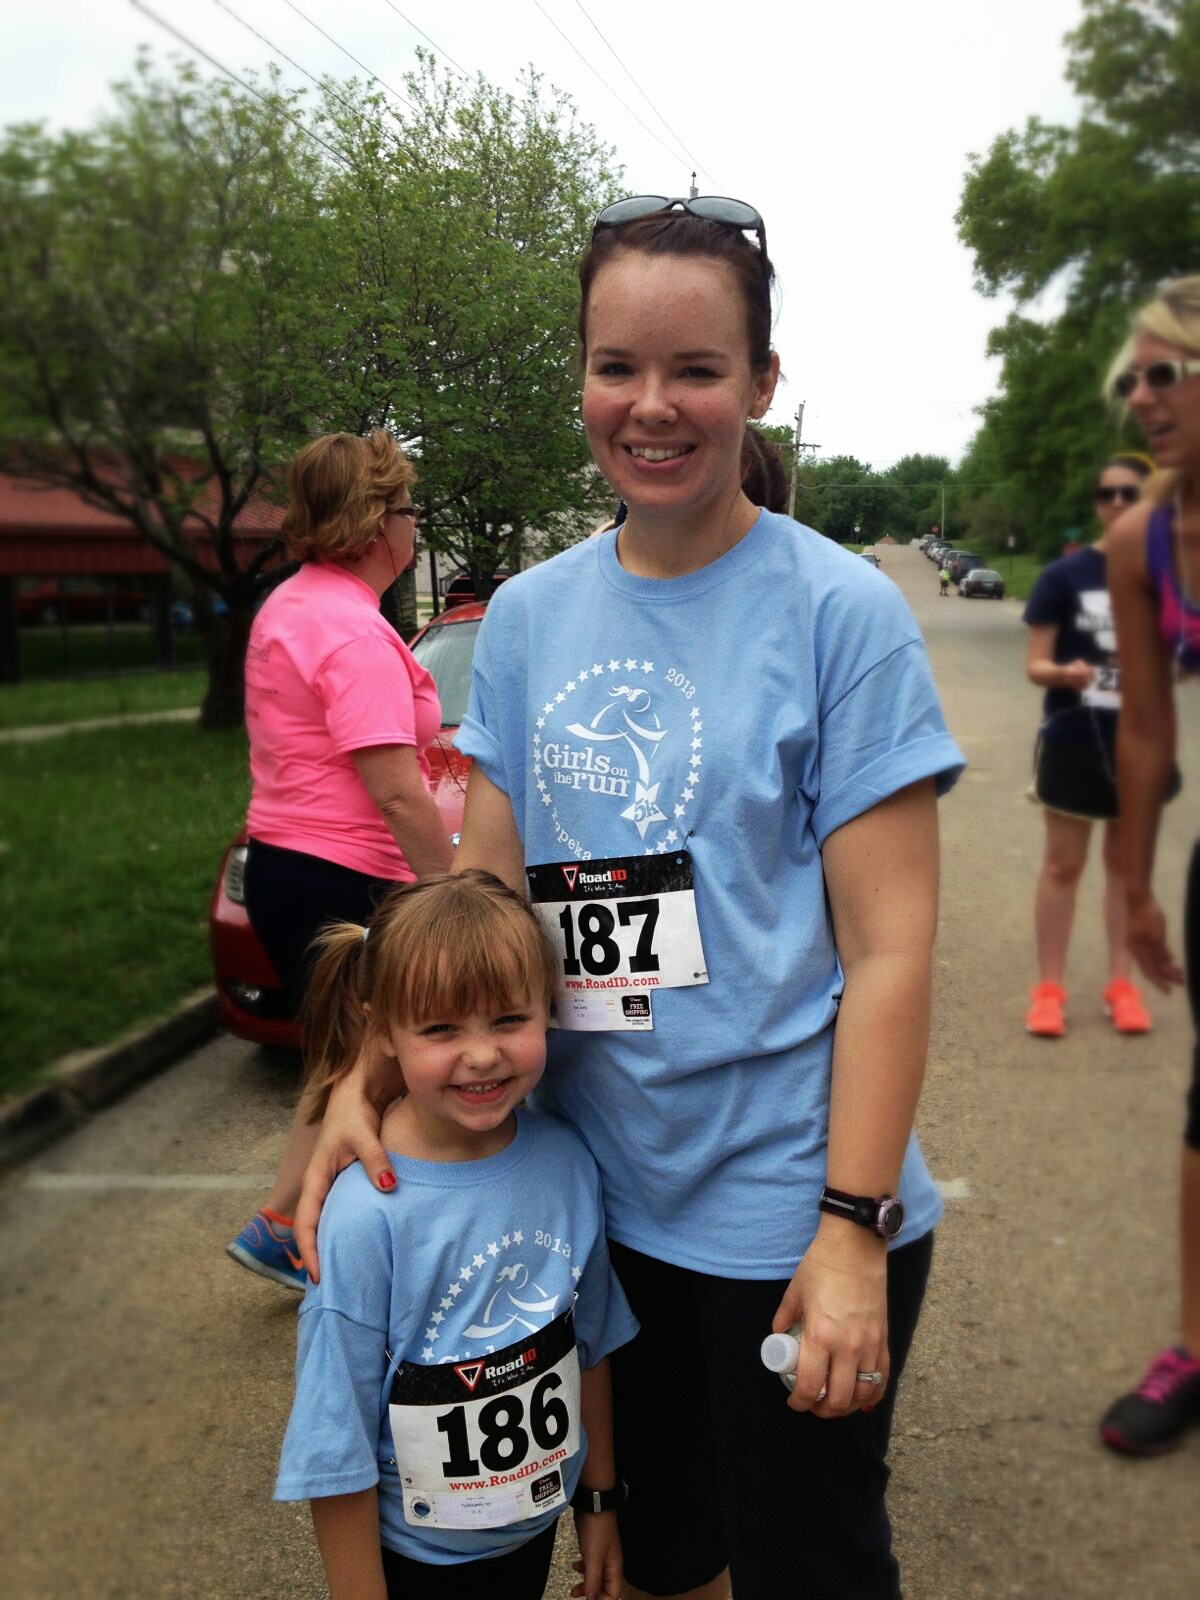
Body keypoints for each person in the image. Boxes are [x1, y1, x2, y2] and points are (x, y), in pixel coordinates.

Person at [296, 194, 964, 1600]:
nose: (652, 406)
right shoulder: (531, 616)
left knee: (813, 1567)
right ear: (583, 379)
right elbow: (482, 898)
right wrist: (366, 1073)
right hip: (595, 1195)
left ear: (761, 383)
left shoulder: (842, 614)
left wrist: (854, 1228)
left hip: (787, 1205)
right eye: (618, 367)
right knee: (655, 1562)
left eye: (696, 369)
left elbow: (892, 952)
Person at [275, 871, 636, 1599]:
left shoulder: (570, 1162)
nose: (481, 1055)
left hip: (533, 1530)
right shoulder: (366, 1215)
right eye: (441, 1029)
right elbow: (336, 1441)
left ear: (548, 1008)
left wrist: (598, 1501)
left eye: (508, 1019)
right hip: (418, 1562)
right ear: (382, 1032)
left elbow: (589, 1345)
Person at [227, 431, 454, 1292]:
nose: (415, 526)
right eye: (409, 509)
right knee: (383, 1066)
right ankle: (343, 1240)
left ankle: (283, 1224)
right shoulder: (352, 631)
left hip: (285, 864)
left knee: (345, 1060)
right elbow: (398, 793)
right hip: (343, 876)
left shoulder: (290, 605)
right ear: (374, 521)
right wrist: (455, 895)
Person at [1101, 275, 1200, 1455]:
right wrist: (1134, 887)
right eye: (1134, 377)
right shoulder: (1144, 541)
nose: (1141, 396)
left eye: (1165, 372)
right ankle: (1193, 1345)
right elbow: (1145, 725)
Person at [1022, 452, 1160, 1039]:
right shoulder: (1064, 578)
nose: (1119, 504)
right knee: (1063, 865)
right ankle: (1049, 990)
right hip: (1075, 738)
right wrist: (1067, 673)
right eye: (1109, 494)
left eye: (1132, 494)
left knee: (1127, 870)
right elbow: (1035, 665)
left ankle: (1121, 986)